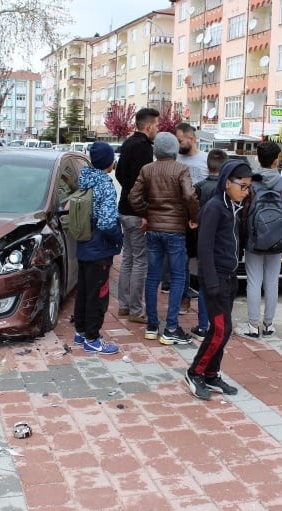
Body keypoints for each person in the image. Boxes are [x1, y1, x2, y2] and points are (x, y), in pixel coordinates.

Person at [185, 160, 253, 400]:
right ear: (227, 183)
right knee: (221, 330)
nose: (246, 192)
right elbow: (204, 247)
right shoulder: (214, 207)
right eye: (242, 186)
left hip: (229, 277)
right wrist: (211, 282)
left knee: (221, 330)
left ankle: (212, 373)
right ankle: (195, 372)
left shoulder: (233, 207)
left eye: (248, 187)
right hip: (215, 280)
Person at [129, 132, 200, 345]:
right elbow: (189, 195)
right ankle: (171, 327)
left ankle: (152, 325)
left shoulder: (147, 169)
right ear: (174, 149)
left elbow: (133, 196)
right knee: (178, 277)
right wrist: (193, 216)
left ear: (156, 150)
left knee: (153, 277)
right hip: (176, 229)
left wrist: (147, 213)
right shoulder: (181, 169)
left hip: (153, 229)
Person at [72, 142, 124, 354]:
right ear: (109, 162)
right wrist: (118, 239)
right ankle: (92, 339)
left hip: (84, 244)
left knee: (84, 290)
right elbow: (107, 222)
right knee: (98, 294)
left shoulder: (85, 178)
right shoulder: (105, 184)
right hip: (99, 248)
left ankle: (81, 331)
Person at [239, 141, 282, 338]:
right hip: (277, 241)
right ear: (277, 161)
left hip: (254, 241)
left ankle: (253, 326)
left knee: (253, 281)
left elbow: (244, 215)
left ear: (257, 159)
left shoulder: (251, 183)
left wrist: (243, 241)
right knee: (272, 281)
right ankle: (269, 324)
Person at [115, 108, 160, 324]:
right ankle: (135, 309)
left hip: (124, 208)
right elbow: (144, 184)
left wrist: (128, 193)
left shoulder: (128, 143)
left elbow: (119, 173)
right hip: (136, 212)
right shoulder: (143, 148)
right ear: (149, 126)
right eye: (157, 126)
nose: (157, 130)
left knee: (128, 259)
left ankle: (123, 306)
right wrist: (144, 212)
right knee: (140, 261)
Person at [190, 149, 228, 342]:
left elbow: (192, 207)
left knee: (205, 282)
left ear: (208, 166)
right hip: (222, 243)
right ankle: (218, 323)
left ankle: (203, 325)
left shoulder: (199, 187)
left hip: (202, 240)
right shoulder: (226, 191)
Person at [175, 122, 209, 314]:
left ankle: (204, 306)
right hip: (181, 219)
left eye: (180, 140)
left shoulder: (205, 160)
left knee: (203, 260)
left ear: (192, 139)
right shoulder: (175, 159)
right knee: (183, 261)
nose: (178, 144)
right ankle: (184, 298)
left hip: (202, 219)